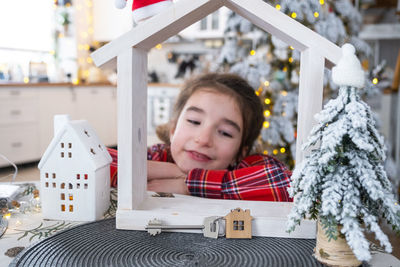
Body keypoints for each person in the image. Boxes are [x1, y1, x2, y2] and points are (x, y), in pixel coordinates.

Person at [108, 73, 292, 201]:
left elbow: (287, 185)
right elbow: (91, 162)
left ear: (239, 152)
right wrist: (145, 169)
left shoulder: (246, 167)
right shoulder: (157, 157)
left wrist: (189, 185)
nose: (203, 139)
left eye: (225, 133)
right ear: (173, 129)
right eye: (194, 121)